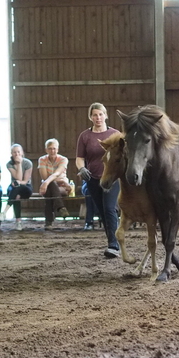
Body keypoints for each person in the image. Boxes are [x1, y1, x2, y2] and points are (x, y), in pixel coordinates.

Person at [76, 102, 120, 257]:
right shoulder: (85, 136)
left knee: (109, 208)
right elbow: (79, 158)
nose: (98, 117)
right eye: (95, 115)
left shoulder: (115, 134)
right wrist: (82, 168)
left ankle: (113, 245)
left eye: (101, 114)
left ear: (106, 115)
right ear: (90, 117)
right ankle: (114, 239)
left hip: (112, 179)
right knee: (102, 211)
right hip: (93, 179)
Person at [0, 144, 32, 231]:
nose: (17, 154)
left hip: (26, 187)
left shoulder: (28, 163)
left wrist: (19, 163)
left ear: (22, 153)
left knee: (17, 191)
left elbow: (24, 180)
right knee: (16, 196)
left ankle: (4, 212)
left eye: (18, 152)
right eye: (14, 152)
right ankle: (18, 222)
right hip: (15, 186)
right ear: (11, 154)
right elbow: (17, 177)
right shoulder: (9, 164)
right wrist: (18, 165)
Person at [38, 138, 71, 230]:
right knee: (50, 188)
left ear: (58, 149)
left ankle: (48, 222)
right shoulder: (42, 159)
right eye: (50, 148)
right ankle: (60, 207)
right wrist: (58, 180)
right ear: (46, 150)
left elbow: (56, 173)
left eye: (54, 148)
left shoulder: (63, 159)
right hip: (49, 187)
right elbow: (44, 177)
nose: (52, 151)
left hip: (62, 187)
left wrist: (47, 181)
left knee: (50, 188)